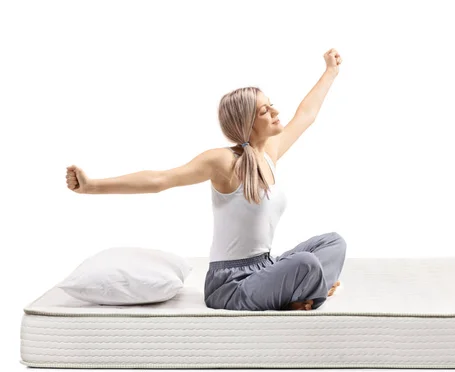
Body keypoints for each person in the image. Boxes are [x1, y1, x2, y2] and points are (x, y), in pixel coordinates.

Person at [65, 48, 346, 311]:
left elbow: (306, 114)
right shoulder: (223, 162)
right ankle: (307, 293)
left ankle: (305, 294)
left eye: (270, 105)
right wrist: (92, 186)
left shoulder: (269, 152)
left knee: (333, 243)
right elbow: (161, 180)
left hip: (264, 267)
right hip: (230, 285)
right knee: (306, 264)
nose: (275, 112)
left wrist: (330, 71)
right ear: (246, 123)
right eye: (264, 111)